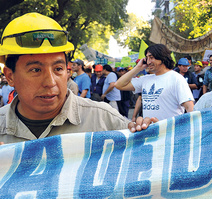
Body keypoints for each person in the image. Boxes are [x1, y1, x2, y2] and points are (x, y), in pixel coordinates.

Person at [0, 13, 137, 144]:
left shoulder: (104, 120)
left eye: (58, 69)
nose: (51, 82)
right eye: (36, 70)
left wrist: (149, 130)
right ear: (10, 76)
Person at [115, 44, 195, 121]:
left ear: (162, 58)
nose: (148, 62)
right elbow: (119, 85)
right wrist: (138, 68)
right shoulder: (145, 79)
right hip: (149, 131)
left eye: (151, 57)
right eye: (147, 58)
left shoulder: (176, 78)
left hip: (169, 132)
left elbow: (189, 108)